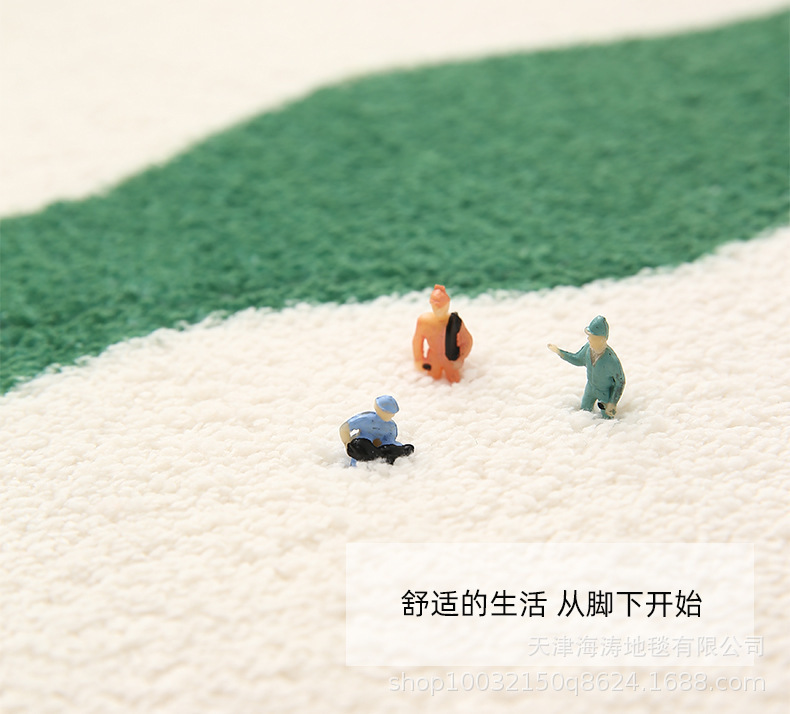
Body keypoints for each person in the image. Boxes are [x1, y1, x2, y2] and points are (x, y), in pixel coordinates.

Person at [548, 316, 625, 418]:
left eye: (593, 337)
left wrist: (612, 402)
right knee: (583, 412)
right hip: (590, 388)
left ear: (602, 339)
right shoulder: (587, 349)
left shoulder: (611, 360)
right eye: (589, 336)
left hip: (604, 393)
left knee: (608, 418)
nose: (589, 339)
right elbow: (577, 359)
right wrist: (560, 352)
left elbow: (620, 382)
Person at [412, 284, 473, 383]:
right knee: (432, 379)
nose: (438, 309)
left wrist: (461, 358)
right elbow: (417, 341)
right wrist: (418, 359)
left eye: (441, 306)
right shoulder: (424, 321)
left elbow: (467, 341)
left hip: (450, 360)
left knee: (454, 380)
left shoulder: (455, 322)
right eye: (435, 306)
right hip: (433, 358)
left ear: (448, 304)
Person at [339, 395, 414, 464]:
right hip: (363, 446)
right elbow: (344, 429)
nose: (391, 415)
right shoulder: (365, 419)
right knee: (359, 445)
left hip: (381, 448)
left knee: (394, 449)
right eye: (387, 412)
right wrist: (347, 444)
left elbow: (390, 440)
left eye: (392, 413)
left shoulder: (391, 426)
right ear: (378, 409)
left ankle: (381, 458)